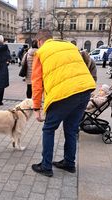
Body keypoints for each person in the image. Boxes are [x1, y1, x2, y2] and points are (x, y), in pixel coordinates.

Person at [31, 29, 96, 177]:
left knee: (48, 129)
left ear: (39, 41)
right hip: (85, 88)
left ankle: (46, 166)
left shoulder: (40, 53)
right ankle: (69, 163)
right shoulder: (70, 46)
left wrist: (36, 108)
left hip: (64, 94)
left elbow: (36, 83)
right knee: (71, 128)